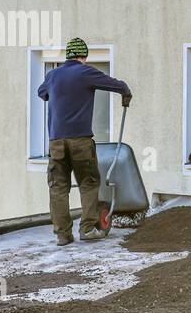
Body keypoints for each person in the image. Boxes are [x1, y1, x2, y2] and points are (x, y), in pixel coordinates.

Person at [36, 37, 132, 245]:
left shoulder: (52, 75)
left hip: (56, 142)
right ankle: (87, 229)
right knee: (88, 183)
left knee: (58, 186)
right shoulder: (86, 72)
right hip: (80, 140)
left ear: (68, 56)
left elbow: (41, 93)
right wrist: (125, 91)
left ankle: (62, 234)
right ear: (84, 57)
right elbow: (115, 85)